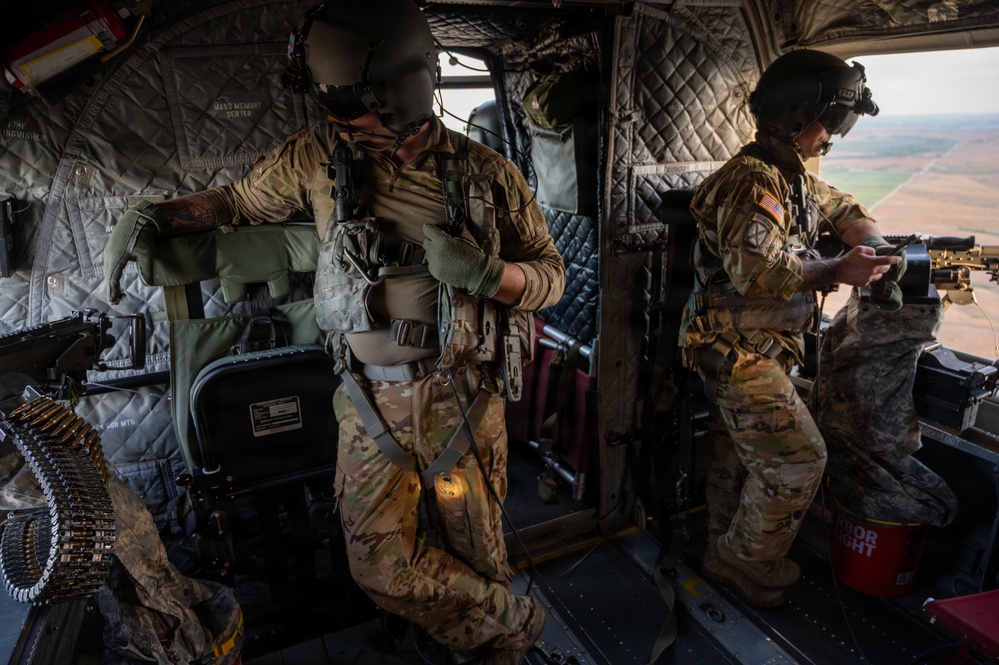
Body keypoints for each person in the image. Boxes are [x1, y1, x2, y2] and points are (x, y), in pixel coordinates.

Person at [103, 1, 565, 663]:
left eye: (355, 111)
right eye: (332, 110)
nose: (340, 126)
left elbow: (552, 275)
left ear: (404, 93)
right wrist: (155, 214)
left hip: (461, 401)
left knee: (477, 557)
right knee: (378, 565)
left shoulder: (487, 175)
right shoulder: (315, 157)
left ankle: (489, 647)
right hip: (366, 405)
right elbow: (236, 202)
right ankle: (515, 621)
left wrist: (491, 276)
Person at [679, 49, 905, 608]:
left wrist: (870, 243)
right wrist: (837, 270)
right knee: (800, 460)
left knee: (741, 456)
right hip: (734, 348)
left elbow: (841, 205)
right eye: (831, 123)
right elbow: (757, 274)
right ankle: (743, 560)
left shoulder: (789, 177)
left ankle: (721, 546)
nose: (832, 136)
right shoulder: (750, 181)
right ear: (803, 114)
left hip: (757, 345)